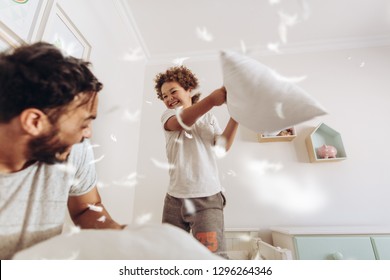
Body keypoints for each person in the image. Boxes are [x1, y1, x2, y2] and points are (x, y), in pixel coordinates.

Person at [0, 42, 123, 260]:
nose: (88, 134)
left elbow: (87, 207)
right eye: (84, 123)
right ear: (34, 121)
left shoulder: (73, 148)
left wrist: (123, 243)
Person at [154, 65, 239, 257]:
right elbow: (183, 121)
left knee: (212, 256)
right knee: (169, 255)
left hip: (207, 198)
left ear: (189, 89)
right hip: (174, 199)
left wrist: (236, 116)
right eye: (164, 96)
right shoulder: (168, 116)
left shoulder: (209, 118)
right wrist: (211, 100)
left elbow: (222, 148)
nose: (168, 98)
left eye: (173, 91)